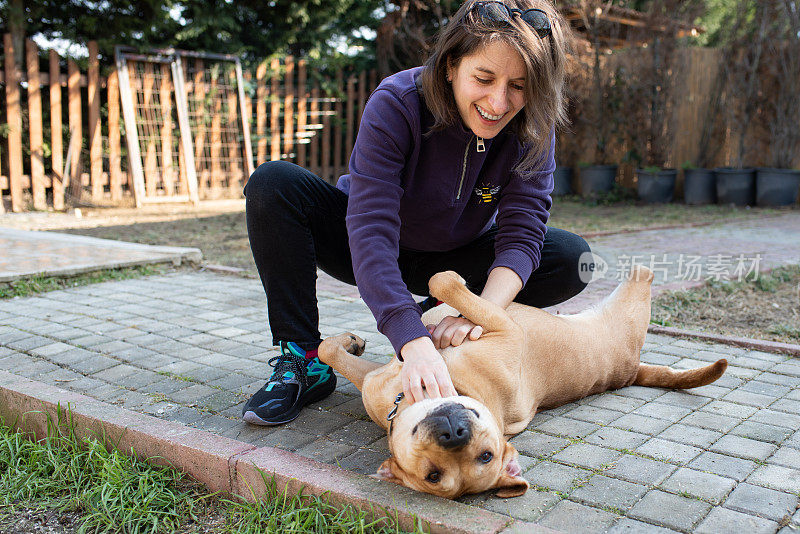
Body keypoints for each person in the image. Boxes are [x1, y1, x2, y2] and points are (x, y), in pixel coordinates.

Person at [241, 0, 591, 426]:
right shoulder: (397, 103)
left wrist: (473, 314)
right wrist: (410, 340)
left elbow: (522, 234)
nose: (499, 103)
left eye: (519, 86)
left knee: (575, 259)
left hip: (455, 261)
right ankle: (304, 361)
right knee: (273, 184)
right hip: (365, 245)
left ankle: (436, 314)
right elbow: (370, 229)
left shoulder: (533, 127)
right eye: (483, 78)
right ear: (449, 66)